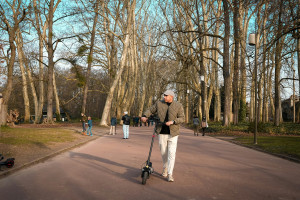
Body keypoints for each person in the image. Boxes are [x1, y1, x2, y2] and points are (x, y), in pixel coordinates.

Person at [141, 90, 184, 182]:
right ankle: (165, 167)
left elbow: (182, 118)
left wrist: (173, 122)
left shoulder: (178, 105)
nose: (164, 97)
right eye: (164, 95)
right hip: (161, 132)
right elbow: (150, 110)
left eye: (166, 96)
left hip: (173, 133)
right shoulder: (159, 103)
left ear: (171, 97)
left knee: (171, 154)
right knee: (164, 153)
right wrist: (145, 115)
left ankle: (170, 173)